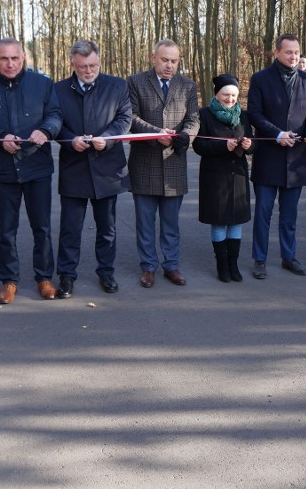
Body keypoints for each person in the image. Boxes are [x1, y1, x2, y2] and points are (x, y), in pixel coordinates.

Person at [0, 38, 62, 304]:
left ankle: (44, 277)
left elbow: (55, 114)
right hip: (4, 170)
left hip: (38, 167)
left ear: (23, 58)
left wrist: (45, 130)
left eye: (15, 58)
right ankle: (9, 280)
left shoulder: (42, 84)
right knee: (6, 229)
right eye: (4, 59)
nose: (10, 64)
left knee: (41, 227)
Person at [54, 40, 132, 299]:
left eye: (93, 65)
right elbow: (54, 123)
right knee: (70, 228)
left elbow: (124, 119)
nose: (89, 71)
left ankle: (106, 271)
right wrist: (69, 139)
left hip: (107, 168)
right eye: (83, 66)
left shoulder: (118, 86)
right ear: (72, 65)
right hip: (74, 167)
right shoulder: (59, 90)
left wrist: (108, 138)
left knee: (107, 227)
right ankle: (66, 275)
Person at [127, 39, 199, 288]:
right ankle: (148, 267)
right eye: (165, 60)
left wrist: (185, 136)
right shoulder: (135, 82)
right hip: (144, 161)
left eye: (174, 61)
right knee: (145, 221)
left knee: (171, 222)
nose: (170, 65)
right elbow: (131, 118)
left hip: (174, 162)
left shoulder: (188, 86)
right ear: (153, 58)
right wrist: (155, 133)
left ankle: (171, 265)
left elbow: (193, 119)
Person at [248, 33, 306, 279]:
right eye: (288, 52)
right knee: (263, 214)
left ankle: (289, 257)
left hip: (296, 158)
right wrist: (276, 134)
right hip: (268, 156)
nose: (293, 56)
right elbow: (255, 114)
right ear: (276, 52)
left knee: (289, 215)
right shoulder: (260, 79)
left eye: (297, 52)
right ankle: (260, 259)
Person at [192, 74, 254, 282]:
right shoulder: (205, 114)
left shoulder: (243, 116)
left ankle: (233, 264)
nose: (230, 99)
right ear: (217, 94)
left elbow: (253, 143)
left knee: (236, 220)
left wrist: (248, 146)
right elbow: (198, 145)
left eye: (234, 95)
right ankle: (221, 265)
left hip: (238, 175)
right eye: (226, 94)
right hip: (214, 176)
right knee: (219, 221)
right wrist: (222, 145)